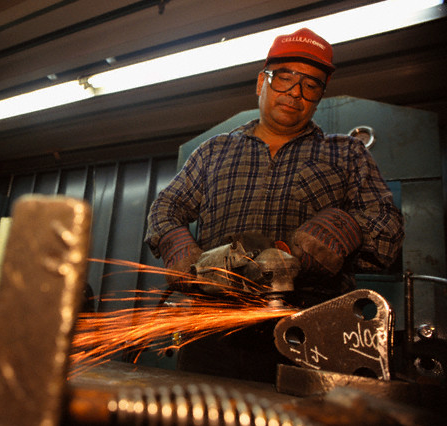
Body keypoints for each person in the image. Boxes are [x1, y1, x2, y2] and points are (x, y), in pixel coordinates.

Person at [144, 28, 404, 381]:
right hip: (215, 327)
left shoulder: (347, 153)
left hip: (311, 331)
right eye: (285, 78)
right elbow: (165, 209)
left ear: (319, 96)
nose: (295, 93)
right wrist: (189, 258)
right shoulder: (213, 151)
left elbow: (388, 228)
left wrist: (339, 229)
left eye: (310, 85)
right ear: (260, 82)